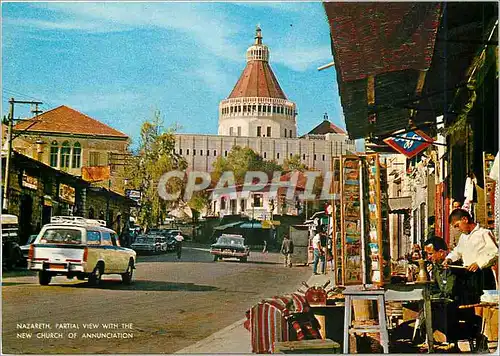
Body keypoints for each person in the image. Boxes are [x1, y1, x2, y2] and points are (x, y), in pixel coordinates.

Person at [443, 209, 498, 304]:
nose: (458, 229)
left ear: (465, 219)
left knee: (483, 303)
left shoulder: (483, 233)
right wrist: (449, 258)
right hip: (468, 276)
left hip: (482, 275)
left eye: (457, 225)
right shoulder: (463, 237)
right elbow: (457, 251)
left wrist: (478, 263)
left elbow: (494, 252)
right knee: (469, 305)